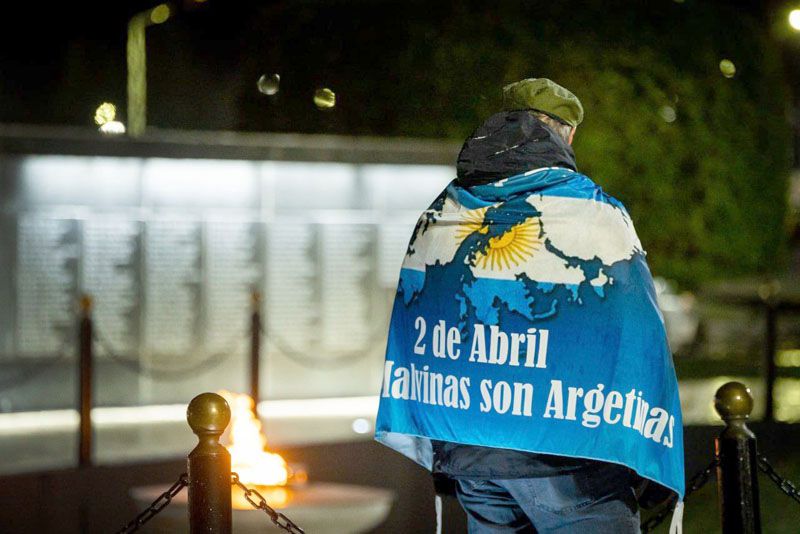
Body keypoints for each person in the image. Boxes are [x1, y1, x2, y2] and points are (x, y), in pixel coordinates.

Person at [375, 78, 684, 533]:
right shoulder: (592, 211)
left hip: (471, 453)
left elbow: (415, 319)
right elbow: (638, 335)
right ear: (567, 133)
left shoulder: (443, 209)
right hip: (569, 458)